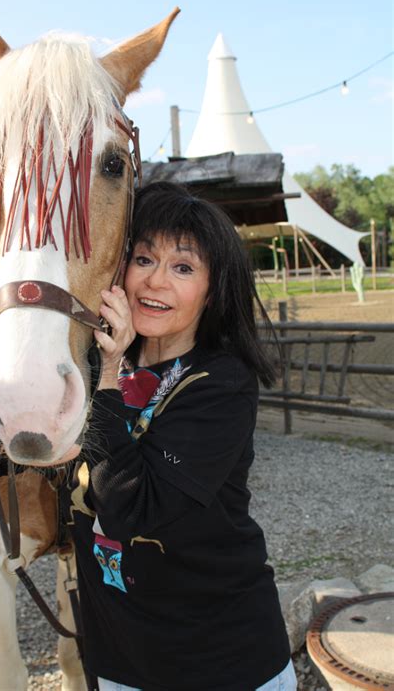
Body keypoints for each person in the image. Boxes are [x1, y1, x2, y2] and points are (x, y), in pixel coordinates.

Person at [71, 181, 295, 691]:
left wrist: (106, 374)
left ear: (214, 290)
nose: (156, 282)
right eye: (144, 259)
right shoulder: (95, 361)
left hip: (222, 661)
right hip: (121, 662)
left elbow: (132, 510)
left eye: (184, 267)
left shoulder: (221, 383)